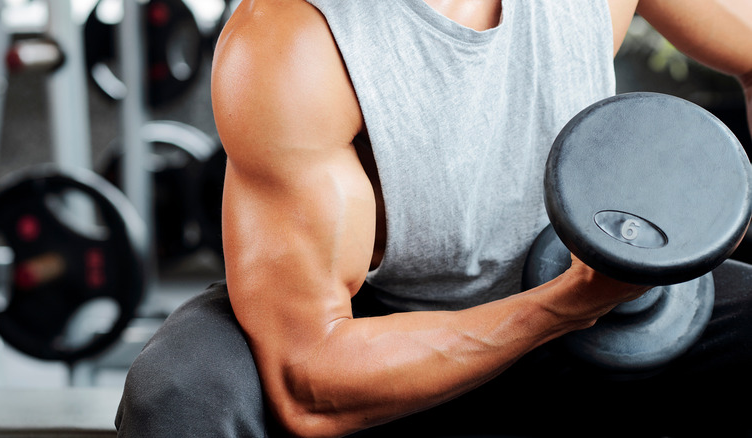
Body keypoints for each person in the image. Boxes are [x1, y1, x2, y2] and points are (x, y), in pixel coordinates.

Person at [116, 1, 752, 436]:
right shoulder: (295, 41)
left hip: (587, 302)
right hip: (383, 338)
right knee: (184, 390)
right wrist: (567, 305)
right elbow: (306, 382)